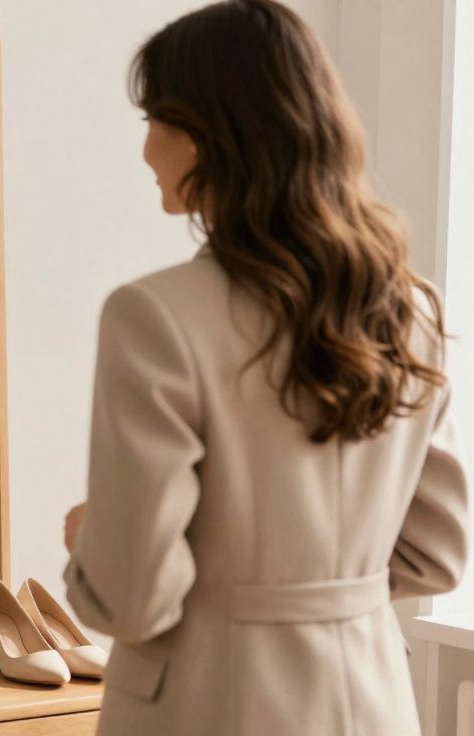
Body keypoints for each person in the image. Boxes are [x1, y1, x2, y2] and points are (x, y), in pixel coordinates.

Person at [61, 2, 468, 733]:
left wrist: (92, 536)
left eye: (153, 121)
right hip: (374, 702)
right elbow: (436, 555)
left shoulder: (154, 315)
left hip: (207, 706)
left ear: (203, 135)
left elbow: (131, 599)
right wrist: (320, 596)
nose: (146, 150)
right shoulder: (415, 311)